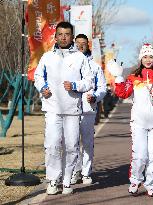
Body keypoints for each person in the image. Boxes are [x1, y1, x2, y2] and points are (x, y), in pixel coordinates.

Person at [107, 43, 153, 197]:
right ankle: (135, 180)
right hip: (139, 123)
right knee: (140, 156)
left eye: (150, 56)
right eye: (145, 56)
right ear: (141, 59)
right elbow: (123, 93)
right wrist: (118, 76)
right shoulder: (134, 77)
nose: (148, 59)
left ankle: (151, 185)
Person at [34, 22, 94, 195]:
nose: (63, 37)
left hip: (72, 109)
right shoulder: (47, 57)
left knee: (71, 146)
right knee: (52, 145)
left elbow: (89, 81)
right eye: (60, 34)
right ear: (56, 36)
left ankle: (67, 180)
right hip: (52, 107)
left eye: (66, 34)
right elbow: (38, 76)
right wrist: (42, 87)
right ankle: (53, 179)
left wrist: (75, 85)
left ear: (72, 37)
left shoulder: (80, 58)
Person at [70, 34, 107, 185]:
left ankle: (86, 172)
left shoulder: (95, 66)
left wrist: (95, 97)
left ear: (88, 45)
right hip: (70, 109)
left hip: (87, 109)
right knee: (72, 143)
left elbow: (102, 88)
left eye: (83, 43)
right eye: (77, 43)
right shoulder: (69, 64)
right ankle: (75, 171)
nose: (80, 45)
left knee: (87, 142)